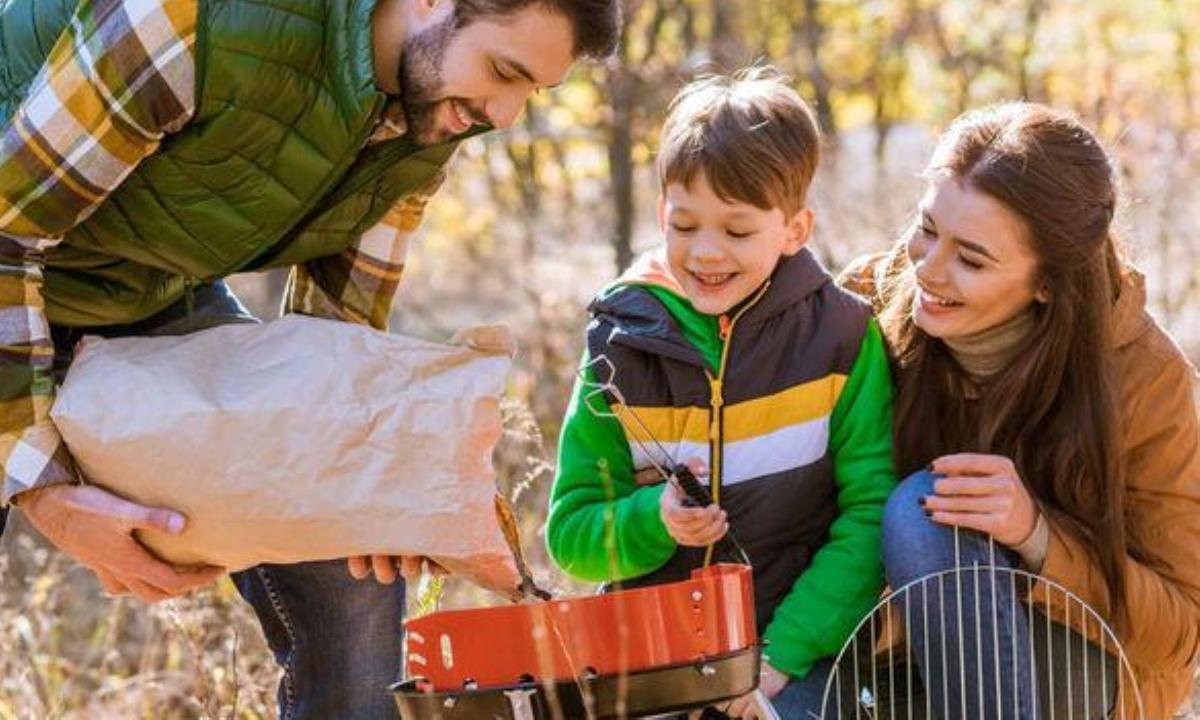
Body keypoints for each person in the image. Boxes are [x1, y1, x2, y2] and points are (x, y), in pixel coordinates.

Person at [0, 0, 621, 716]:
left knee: (349, 569)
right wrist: (45, 493)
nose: (506, 116)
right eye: (503, 72)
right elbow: (7, 235)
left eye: (532, 91)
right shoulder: (184, 20)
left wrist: (357, 488)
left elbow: (331, 348)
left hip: (142, 287)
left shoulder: (434, 113)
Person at [545, 68, 897, 718]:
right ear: (662, 214)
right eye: (684, 226)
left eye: (737, 232)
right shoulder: (618, 350)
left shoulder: (843, 339)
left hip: (795, 650)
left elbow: (870, 514)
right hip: (651, 661)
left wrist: (778, 658)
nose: (707, 252)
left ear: (794, 230)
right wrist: (654, 520)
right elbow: (570, 533)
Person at [842, 102, 1200, 719]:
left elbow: (1182, 630)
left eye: (971, 259)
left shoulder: (1146, 378)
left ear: (1046, 283)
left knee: (927, 505)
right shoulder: (862, 308)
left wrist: (1037, 536)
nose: (928, 269)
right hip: (892, 645)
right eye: (927, 228)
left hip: (1072, 669)